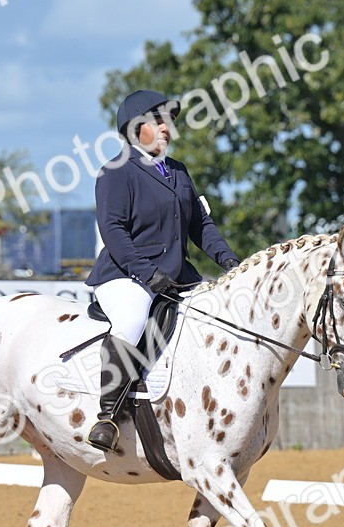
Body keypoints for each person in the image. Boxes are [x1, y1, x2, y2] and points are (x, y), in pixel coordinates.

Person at [85, 89, 241, 451]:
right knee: (132, 319)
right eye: (157, 121)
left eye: (168, 120)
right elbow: (114, 231)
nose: (166, 127)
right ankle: (109, 414)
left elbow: (201, 226)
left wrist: (231, 262)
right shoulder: (115, 172)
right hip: (125, 274)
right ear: (134, 129)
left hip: (176, 275)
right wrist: (146, 273)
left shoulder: (178, 172)